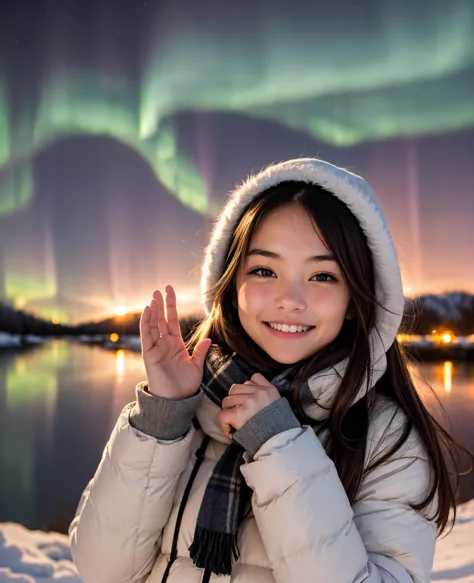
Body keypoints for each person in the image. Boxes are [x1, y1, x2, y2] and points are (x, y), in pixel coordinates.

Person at [69, 158, 469, 583]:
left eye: (322, 276)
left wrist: (279, 447)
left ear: (356, 300)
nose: (289, 299)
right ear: (231, 282)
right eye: (264, 270)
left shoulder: (385, 435)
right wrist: (163, 416)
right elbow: (101, 570)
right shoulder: (194, 401)